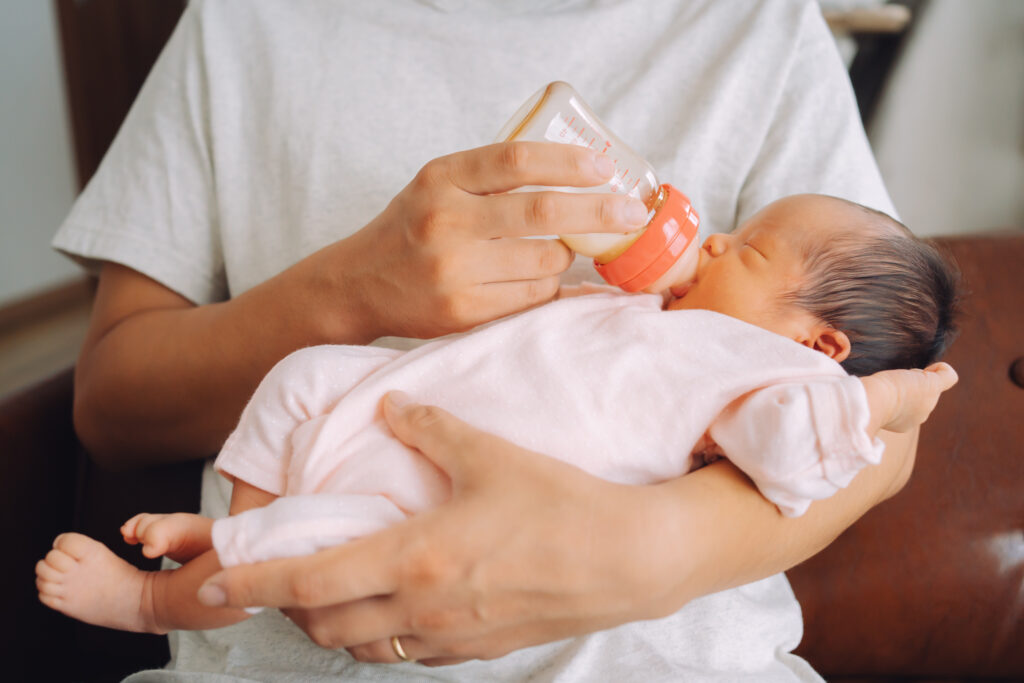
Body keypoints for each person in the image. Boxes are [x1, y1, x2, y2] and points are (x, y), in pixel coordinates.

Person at [47, 1, 930, 680]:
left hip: (678, 663)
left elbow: (878, 426)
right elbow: (113, 404)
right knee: (296, 515)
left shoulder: (758, 28)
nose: (713, 243)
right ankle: (194, 581)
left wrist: (644, 551)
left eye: (746, 244)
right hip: (295, 635)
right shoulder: (243, 25)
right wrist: (345, 290)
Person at [38, 194, 960, 665]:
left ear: (821, 343)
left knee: (326, 541)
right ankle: (230, 527)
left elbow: (808, 456)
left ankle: (160, 598)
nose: (712, 241)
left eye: (747, 249)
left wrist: (878, 404)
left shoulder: (775, 379)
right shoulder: (667, 314)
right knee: (302, 374)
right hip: (394, 401)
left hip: (441, 503)